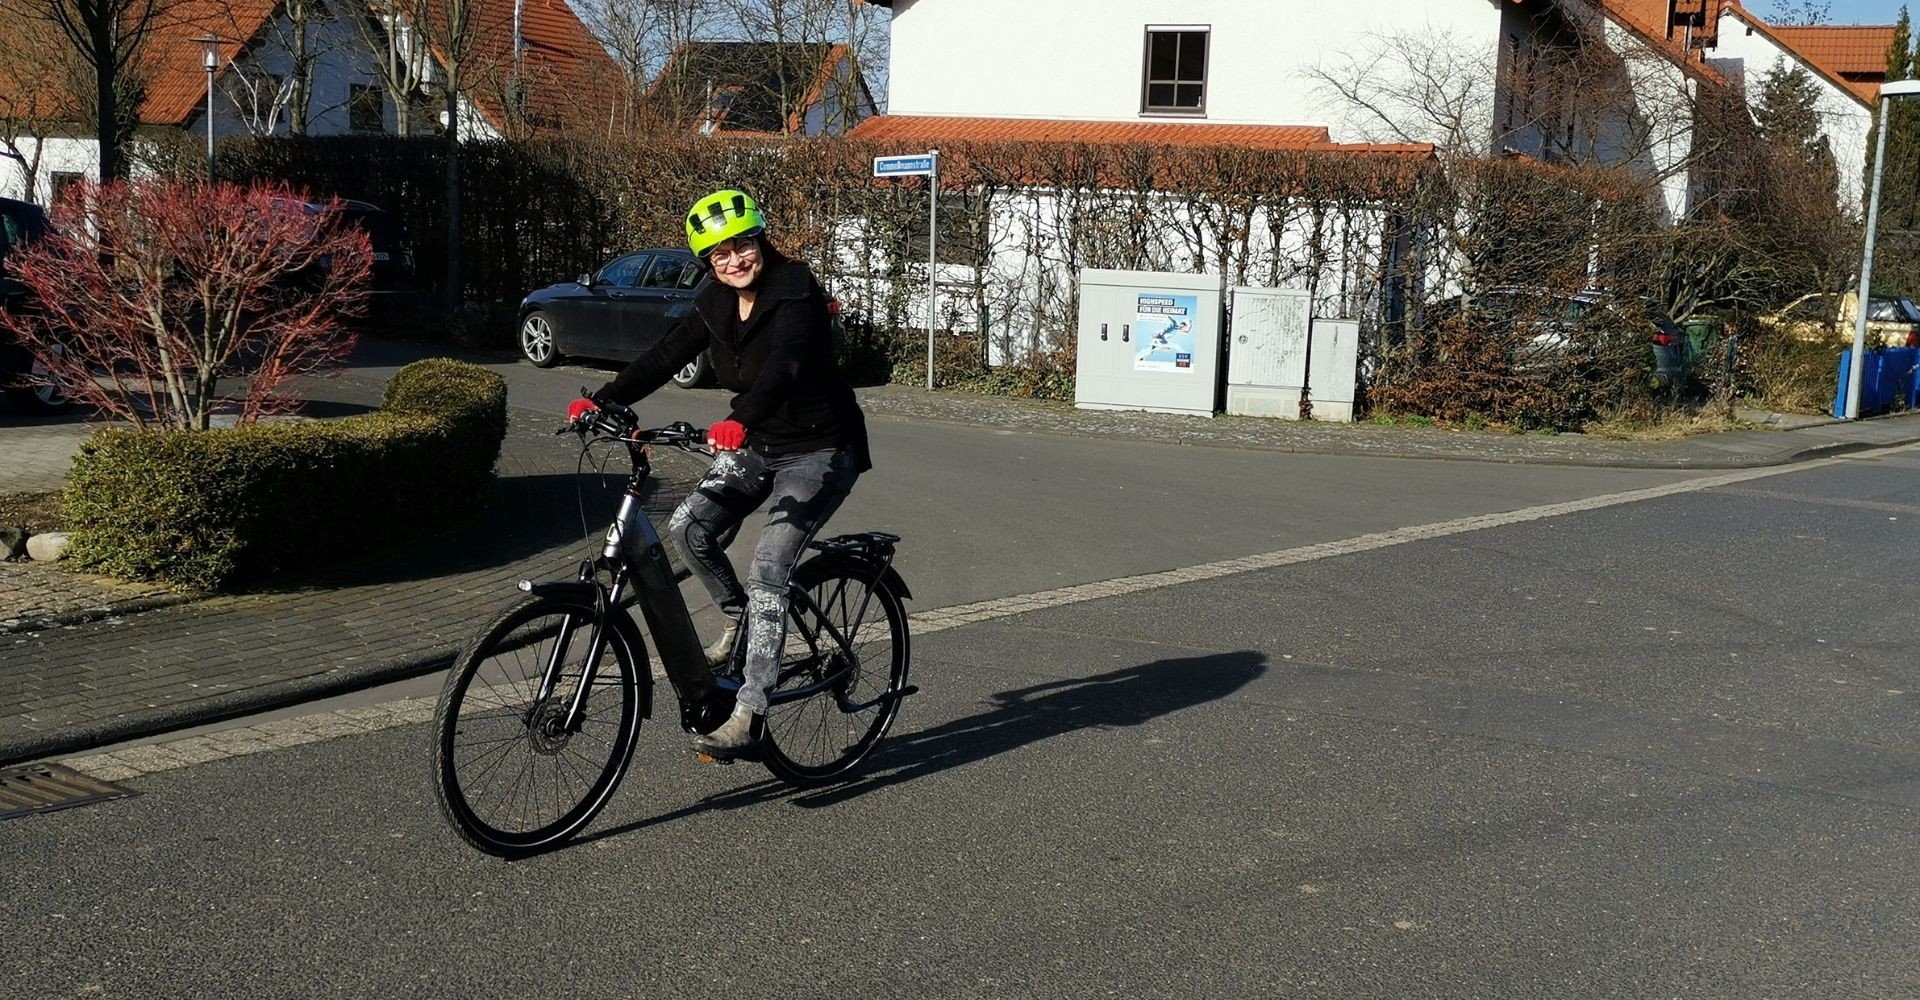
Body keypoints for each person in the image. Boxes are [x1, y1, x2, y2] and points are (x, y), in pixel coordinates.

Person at [567, 189, 870, 757]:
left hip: (820, 449)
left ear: (761, 241)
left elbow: (789, 365)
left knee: (769, 564)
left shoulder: (795, 289)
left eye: (742, 247)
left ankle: (751, 711)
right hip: (757, 443)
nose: (734, 261)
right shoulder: (715, 301)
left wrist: (739, 418)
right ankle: (739, 620)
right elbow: (664, 354)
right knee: (687, 526)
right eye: (719, 255)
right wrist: (603, 400)